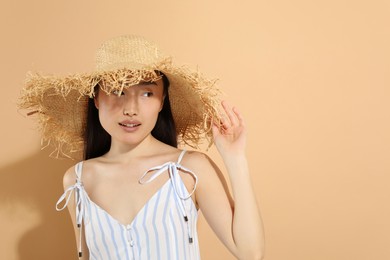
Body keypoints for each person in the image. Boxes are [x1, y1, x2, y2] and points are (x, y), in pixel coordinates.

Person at [19, 35, 264, 260]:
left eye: (147, 93)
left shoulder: (188, 169)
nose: (131, 109)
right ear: (95, 98)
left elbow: (250, 253)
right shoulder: (78, 179)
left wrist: (235, 158)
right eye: (117, 91)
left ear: (162, 100)